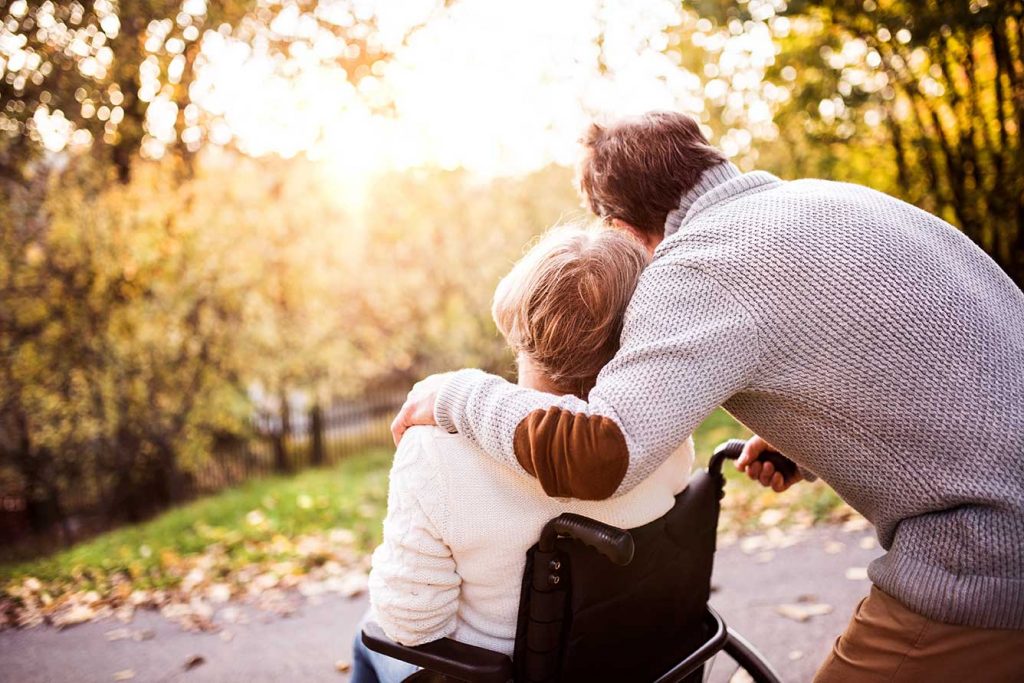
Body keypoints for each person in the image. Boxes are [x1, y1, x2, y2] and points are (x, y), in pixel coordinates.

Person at [391, 111, 1024, 680]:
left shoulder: (699, 263)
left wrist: (455, 394)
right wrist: (807, 440)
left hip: (991, 547)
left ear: (617, 226)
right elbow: (926, 354)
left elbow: (602, 455)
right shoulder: (826, 202)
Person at [352, 224, 694, 683]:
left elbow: (410, 622)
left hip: (499, 675)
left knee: (368, 635)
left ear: (519, 320)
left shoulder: (435, 450)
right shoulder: (659, 430)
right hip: (639, 662)